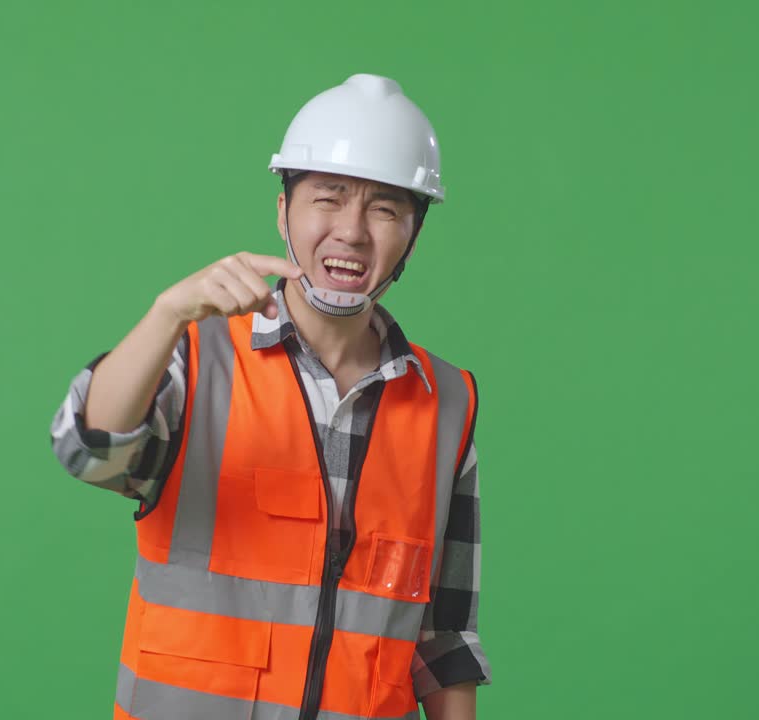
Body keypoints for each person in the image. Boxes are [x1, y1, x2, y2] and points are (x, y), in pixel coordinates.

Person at [50, 73, 490, 720]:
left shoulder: (445, 402)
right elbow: (88, 451)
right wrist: (168, 313)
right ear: (283, 211)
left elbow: (444, 638)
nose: (352, 231)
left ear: (412, 236)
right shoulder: (197, 360)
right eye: (328, 199)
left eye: (386, 208)